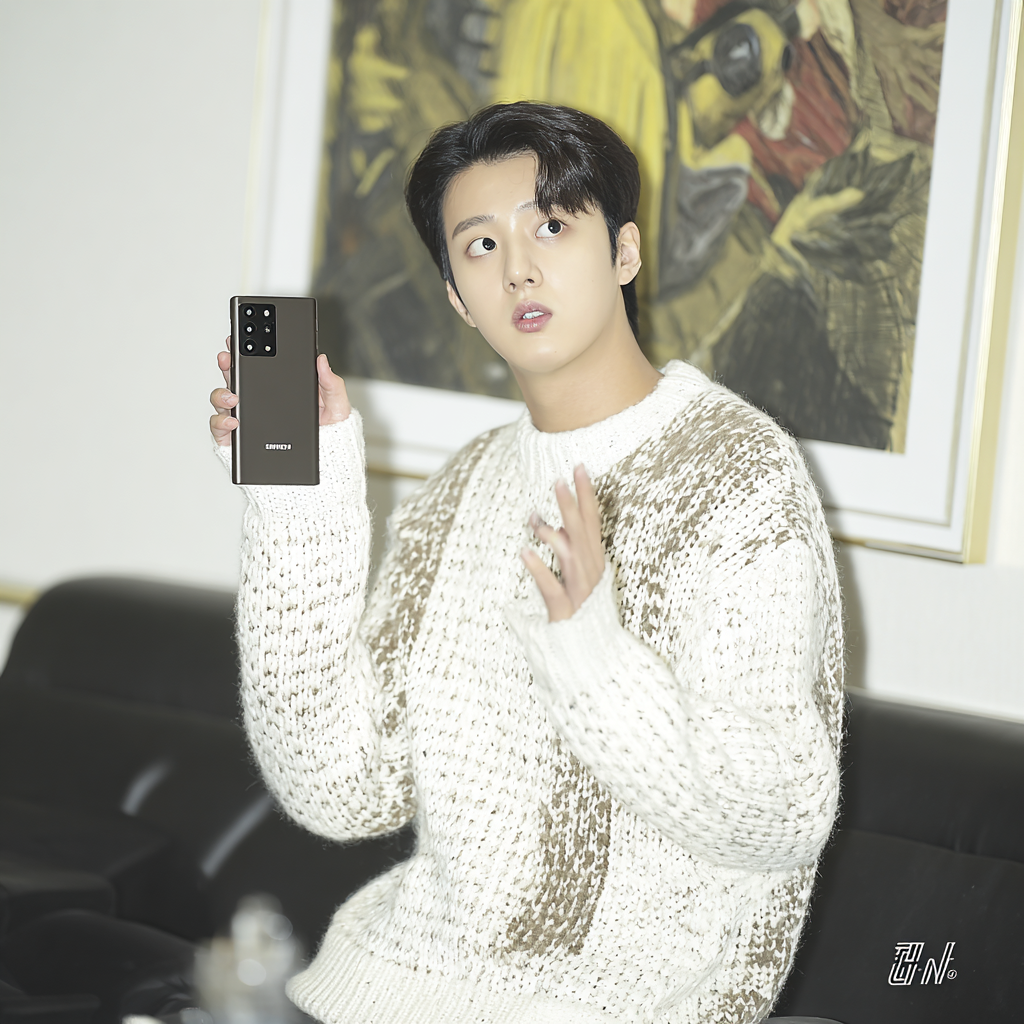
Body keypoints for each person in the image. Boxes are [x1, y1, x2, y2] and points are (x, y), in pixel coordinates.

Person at [209, 102, 843, 1024]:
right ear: (458, 299)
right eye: (480, 245)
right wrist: (298, 501)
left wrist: (592, 654)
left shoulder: (737, 475)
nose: (518, 268)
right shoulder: (465, 486)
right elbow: (338, 787)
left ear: (624, 252)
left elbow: (781, 815)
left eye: (551, 225)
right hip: (369, 991)